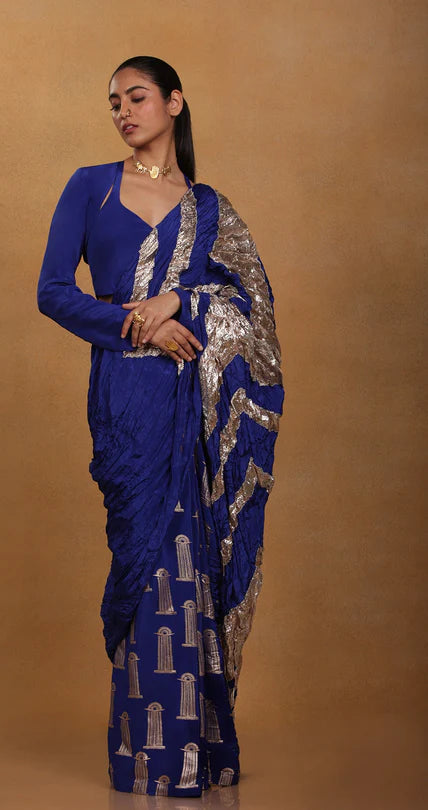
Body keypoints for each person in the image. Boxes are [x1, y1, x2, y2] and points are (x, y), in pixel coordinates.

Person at [37, 55, 285, 798]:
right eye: (114, 102)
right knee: (142, 555)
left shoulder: (208, 208)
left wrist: (182, 301)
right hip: (129, 393)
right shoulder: (90, 186)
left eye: (137, 97)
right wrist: (138, 324)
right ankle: (145, 756)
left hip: (197, 401)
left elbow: (253, 304)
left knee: (192, 554)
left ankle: (196, 752)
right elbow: (53, 292)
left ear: (175, 103)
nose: (123, 111)